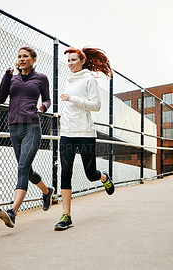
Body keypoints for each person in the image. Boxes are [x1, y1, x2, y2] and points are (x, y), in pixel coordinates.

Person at [54, 47, 115, 231]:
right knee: (65, 172)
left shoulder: (89, 80)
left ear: (82, 61)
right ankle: (67, 215)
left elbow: (96, 106)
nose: (70, 63)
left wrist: (72, 98)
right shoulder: (68, 81)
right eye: (69, 61)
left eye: (73, 60)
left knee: (90, 174)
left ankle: (103, 177)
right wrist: (63, 115)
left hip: (85, 133)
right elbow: (69, 106)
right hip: (67, 133)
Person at [0, 46, 54, 228]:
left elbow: (47, 99)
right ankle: (46, 191)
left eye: (25, 56)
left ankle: (13, 211)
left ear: (33, 59)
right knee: (26, 171)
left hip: (32, 128)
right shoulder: (12, 78)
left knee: (22, 167)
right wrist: (6, 75)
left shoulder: (41, 78)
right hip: (14, 127)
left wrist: (43, 107)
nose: (21, 59)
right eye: (19, 56)